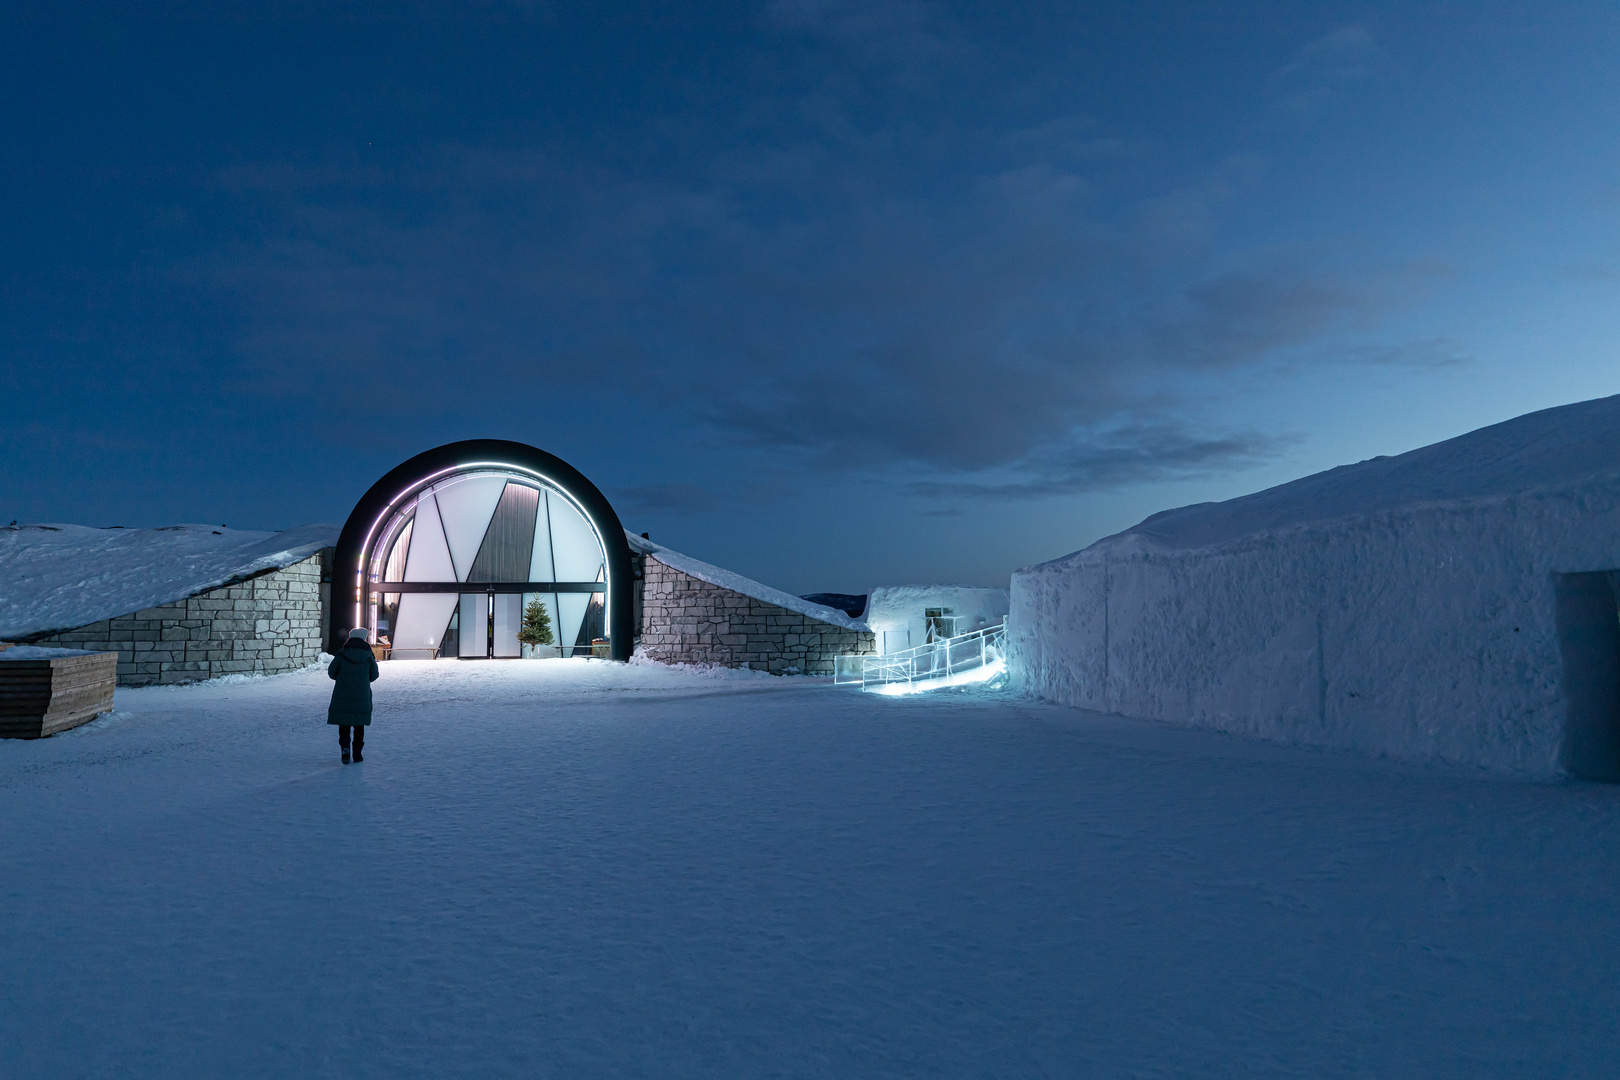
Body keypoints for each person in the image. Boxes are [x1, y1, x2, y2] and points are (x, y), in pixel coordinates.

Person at [328, 627, 379, 763]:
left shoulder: (341, 654)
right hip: (361, 696)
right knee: (359, 725)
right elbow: (374, 675)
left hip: (342, 695)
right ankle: (357, 753)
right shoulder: (368, 656)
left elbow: (331, 673)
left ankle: (345, 749)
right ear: (363, 639)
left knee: (344, 724)